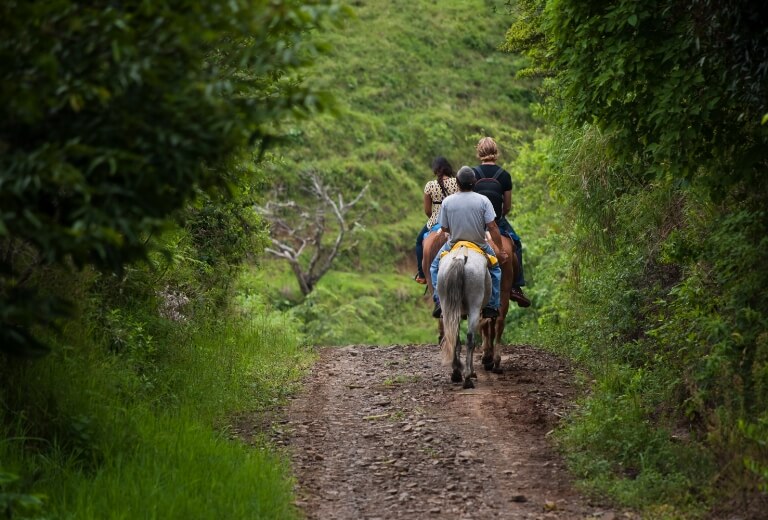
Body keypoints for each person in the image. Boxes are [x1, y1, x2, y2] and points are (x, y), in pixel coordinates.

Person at [429, 166, 509, 319]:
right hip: (479, 244)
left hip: (453, 244)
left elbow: (444, 227)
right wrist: (500, 249)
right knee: (496, 269)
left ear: (457, 183)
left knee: (434, 267)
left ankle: (439, 300)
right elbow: (492, 226)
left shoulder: (447, 201)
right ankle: (492, 305)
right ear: (474, 182)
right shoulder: (483, 200)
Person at [472, 137, 531, 308]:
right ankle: (516, 287)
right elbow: (507, 206)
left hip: (476, 224)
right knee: (516, 244)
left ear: (479, 153)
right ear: (496, 153)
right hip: (497, 221)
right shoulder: (504, 176)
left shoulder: (472, 174)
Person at [414, 157, 459, 284]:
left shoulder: (430, 185)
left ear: (435, 170)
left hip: (436, 221)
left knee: (418, 241)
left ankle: (422, 275)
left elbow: (428, 210)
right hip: (455, 221)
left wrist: (435, 219)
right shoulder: (457, 182)